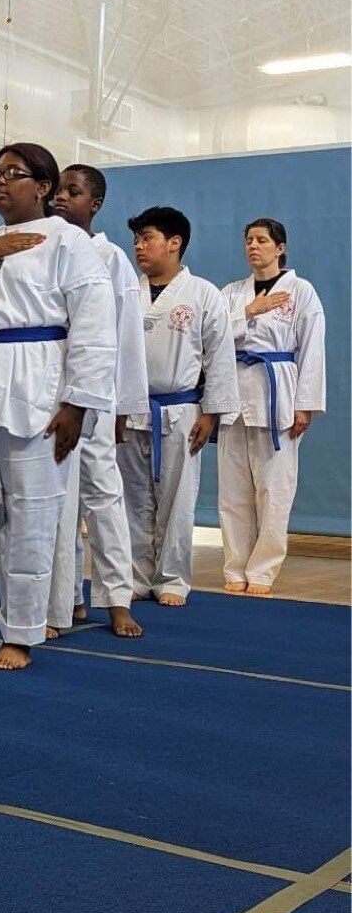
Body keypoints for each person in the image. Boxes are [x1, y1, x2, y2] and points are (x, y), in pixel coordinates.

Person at [0, 143, 116, 673]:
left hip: (37, 387)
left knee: (32, 514)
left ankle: (20, 632)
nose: (0, 182)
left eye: (13, 173)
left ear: (42, 187)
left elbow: (94, 327)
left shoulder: (69, 241)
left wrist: (78, 403)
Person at [47, 164, 148, 640]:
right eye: (57, 190)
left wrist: (125, 406)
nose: (61, 198)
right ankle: (64, 597)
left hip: (98, 396)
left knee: (103, 496)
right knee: (55, 501)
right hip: (49, 392)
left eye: (74, 191)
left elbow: (127, 337)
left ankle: (117, 598)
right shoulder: (43, 246)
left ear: (96, 204)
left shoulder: (111, 258)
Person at [119, 205, 239, 606]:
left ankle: (172, 577)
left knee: (178, 496)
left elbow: (219, 357)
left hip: (182, 408)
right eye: (136, 239)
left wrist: (211, 412)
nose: (138, 246)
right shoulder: (125, 291)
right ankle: (136, 575)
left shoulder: (203, 293)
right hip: (130, 408)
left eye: (147, 238)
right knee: (132, 497)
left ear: (174, 243)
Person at [218, 217, 326, 596]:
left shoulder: (301, 291)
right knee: (233, 491)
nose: (253, 246)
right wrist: (248, 311)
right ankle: (235, 567)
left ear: (280, 248)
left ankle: (262, 571)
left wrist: (305, 405)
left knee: (274, 489)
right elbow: (210, 336)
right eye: (249, 240)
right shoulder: (232, 292)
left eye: (262, 240)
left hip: (277, 394)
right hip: (234, 395)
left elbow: (312, 348)